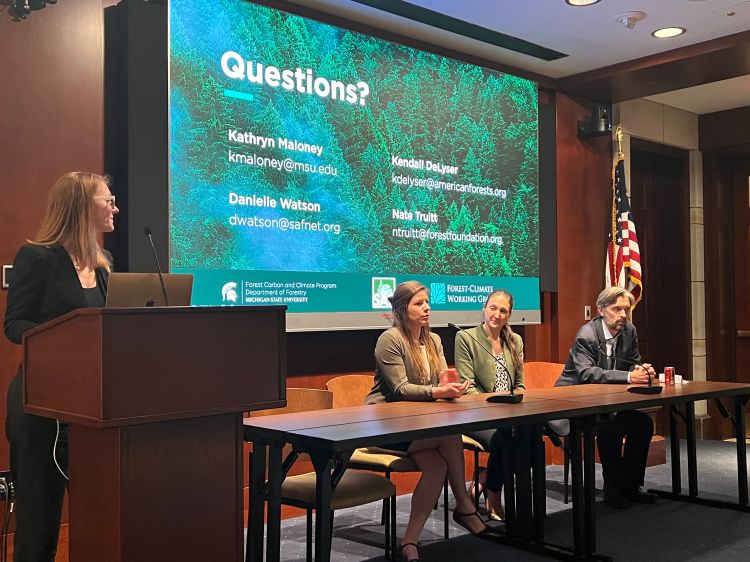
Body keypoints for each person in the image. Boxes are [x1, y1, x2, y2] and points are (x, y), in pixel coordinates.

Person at [4, 171, 118, 561]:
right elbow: (14, 325)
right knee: (39, 525)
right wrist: (64, 340)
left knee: (100, 518)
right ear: (82, 207)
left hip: (91, 409)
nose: (115, 207)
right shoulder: (37, 257)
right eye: (108, 200)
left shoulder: (104, 264)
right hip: (42, 408)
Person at [365, 281, 500, 561]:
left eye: (427, 302)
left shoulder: (434, 340)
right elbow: (400, 389)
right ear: (402, 309)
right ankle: (465, 505)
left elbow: (440, 377)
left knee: (437, 466)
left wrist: (452, 385)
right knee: (450, 436)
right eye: (419, 303)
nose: (427, 308)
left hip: (420, 424)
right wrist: (438, 392)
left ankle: (409, 542)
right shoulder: (389, 340)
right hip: (385, 423)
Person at [555, 286, 657, 508]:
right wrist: (630, 376)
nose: (622, 315)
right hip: (571, 403)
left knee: (643, 424)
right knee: (611, 427)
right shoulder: (587, 335)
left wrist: (643, 370)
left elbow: (633, 362)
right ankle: (613, 489)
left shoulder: (629, 331)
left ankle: (631, 487)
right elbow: (586, 373)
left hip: (607, 402)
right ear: (601, 310)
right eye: (616, 309)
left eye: (626, 309)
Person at [454, 289, 525, 521]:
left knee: (530, 439)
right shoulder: (466, 338)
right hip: (474, 413)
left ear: (509, 315)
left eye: (503, 310)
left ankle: (484, 478)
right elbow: (468, 387)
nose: (497, 314)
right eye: (492, 308)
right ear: (484, 308)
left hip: (510, 412)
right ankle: (494, 493)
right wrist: (495, 406)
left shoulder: (515, 341)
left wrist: (516, 402)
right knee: (504, 439)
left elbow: (520, 384)